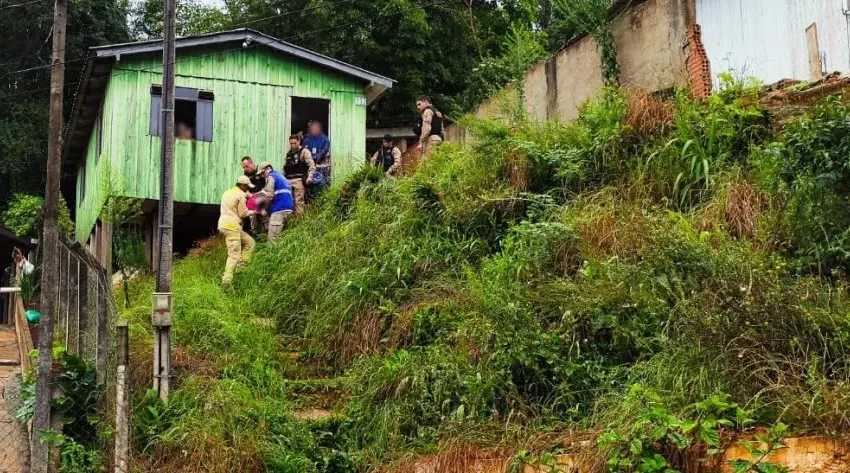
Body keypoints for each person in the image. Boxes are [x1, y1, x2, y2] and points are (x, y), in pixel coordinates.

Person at [218, 176, 256, 284]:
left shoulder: (227, 192)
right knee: (234, 255)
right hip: (232, 227)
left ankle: (240, 270)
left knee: (250, 243)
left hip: (225, 225)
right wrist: (255, 211)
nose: (248, 189)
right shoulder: (240, 195)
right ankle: (227, 281)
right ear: (242, 185)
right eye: (247, 187)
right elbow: (243, 213)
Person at [257, 161, 295, 242]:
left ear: (267, 169)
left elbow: (270, 195)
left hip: (279, 210)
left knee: (273, 240)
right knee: (283, 239)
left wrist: (264, 209)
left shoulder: (271, 177)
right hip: (289, 209)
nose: (262, 176)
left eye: (262, 174)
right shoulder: (282, 177)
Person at [283, 135, 316, 215]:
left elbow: (312, 165)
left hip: (299, 180)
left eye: (295, 143)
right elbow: (285, 168)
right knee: (289, 202)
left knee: (299, 202)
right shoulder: (289, 154)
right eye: (291, 143)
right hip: (288, 180)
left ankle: (299, 220)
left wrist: (310, 177)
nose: (293, 145)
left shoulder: (304, 152)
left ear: (299, 142)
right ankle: (291, 220)